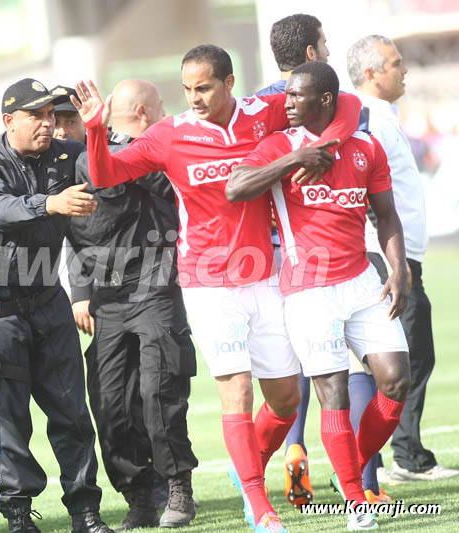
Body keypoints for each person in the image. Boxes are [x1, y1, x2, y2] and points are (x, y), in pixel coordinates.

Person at [73, 45, 361, 533]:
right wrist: (97, 130)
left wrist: (328, 146)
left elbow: (348, 105)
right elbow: (105, 175)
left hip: (266, 274)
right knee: (237, 391)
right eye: (186, 90)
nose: (194, 98)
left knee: (287, 398)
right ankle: (259, 505)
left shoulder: (264, 112)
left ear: (229, 83)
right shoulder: (170, 134)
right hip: (207, 281)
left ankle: (247, 467)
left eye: (203, 87)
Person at [227, 60, 412, 531]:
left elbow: (386, 215)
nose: (286, 103)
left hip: (362, 282)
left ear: (325, 101)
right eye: (286, 95)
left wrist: (398, 269)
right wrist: (294, 160)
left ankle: (347, 461)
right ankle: (356, 503)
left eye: (296, 96)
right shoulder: (278, 145)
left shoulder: (366, 147)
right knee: (333, 394)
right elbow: (236, 188)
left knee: (395, 381)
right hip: (308, 289)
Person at [0, 78, 111, 533]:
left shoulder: (67, 155)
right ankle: (19, 517)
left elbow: (108, 170)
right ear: (9, 120)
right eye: (35, 116)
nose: (48, 124)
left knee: (73, 414)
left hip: (49, 302)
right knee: (10, 423)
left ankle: (86, 512)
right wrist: (52, 202)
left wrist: (99, 130)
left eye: (51, 115)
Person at [66, 79, 198, 529]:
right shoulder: (90, 157)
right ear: (144, 111)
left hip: (156, 288)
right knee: (111, 406)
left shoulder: (156, 151)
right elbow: (79, 229)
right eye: (162, 106)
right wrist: (80, 290)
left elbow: (177, 184)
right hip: (107, 299)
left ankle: (178, 486)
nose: (167, 115)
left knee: (160, 391)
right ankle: (140, 497)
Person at [348, 35, 459, 484]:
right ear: (372, 73)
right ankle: (390, 459)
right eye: (395, 64)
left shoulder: (383, 116)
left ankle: (395, 456)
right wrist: (391, 261)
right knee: (398, 361)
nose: (405, 70)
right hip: (387, 258)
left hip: (402, 256)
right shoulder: (366, 117)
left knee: (411, 357)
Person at [258, 13, 330, 508]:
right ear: (309, 53)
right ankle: (365, 479)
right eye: (323, 43)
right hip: (318, 245)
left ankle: (295, 446)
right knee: (341, 357)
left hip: (264, 251)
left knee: (292, 359)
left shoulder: (256, 103)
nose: (328, 50)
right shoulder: (327, 99)